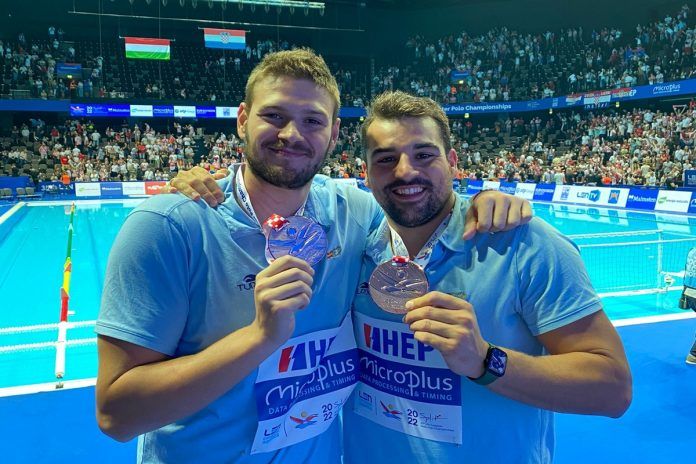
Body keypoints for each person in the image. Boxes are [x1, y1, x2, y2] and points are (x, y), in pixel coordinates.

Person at [96, 49, 531, 464]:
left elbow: (421, 203)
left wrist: (483, 200)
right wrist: (259, 338)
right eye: (274, 115)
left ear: (334, 133)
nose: (291, 134)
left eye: (312, 120)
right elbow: (117, 416)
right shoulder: (169, 227)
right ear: (243, 120)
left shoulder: (354, 213)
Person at [170, 92, 632, 462]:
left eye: (424, 154)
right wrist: (207, 184)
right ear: (366, 174)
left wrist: (485, 361)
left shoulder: (523, 243)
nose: (406, 172)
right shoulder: (353, 245)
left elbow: (611, 388)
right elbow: (271, 189)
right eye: (386, 159)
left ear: (452, 162)